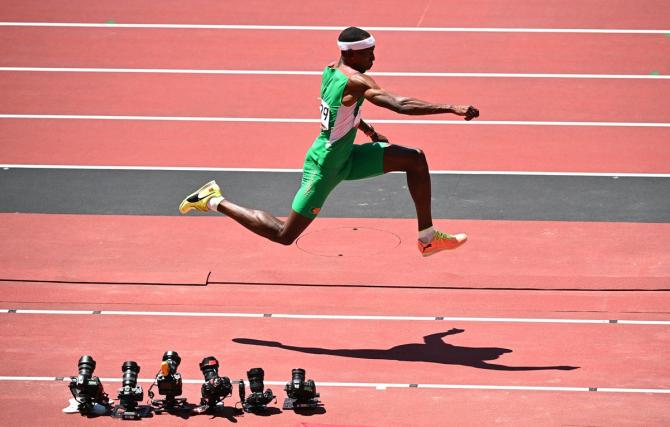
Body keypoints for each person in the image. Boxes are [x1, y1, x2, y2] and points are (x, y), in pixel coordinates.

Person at [180, 26, 479, 256]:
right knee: (284, 234)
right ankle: (213, 199)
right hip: (324, 166)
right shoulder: (356, 80)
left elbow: (341, 112)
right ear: (350, 54)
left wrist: (369, 132)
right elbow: (399, 104)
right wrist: (450, 108)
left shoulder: (330, 70)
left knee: (415, 159)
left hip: (346, 157)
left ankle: (427, 239)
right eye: (368, 53)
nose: (374, 58)